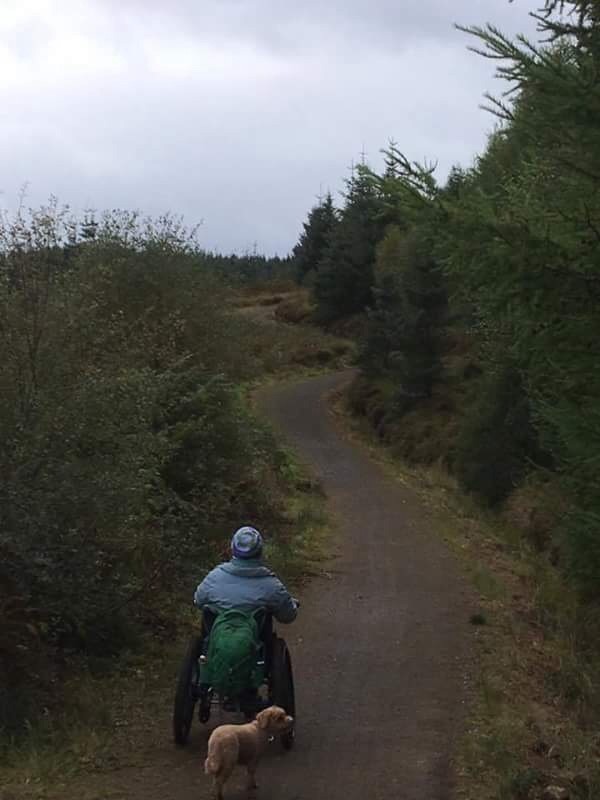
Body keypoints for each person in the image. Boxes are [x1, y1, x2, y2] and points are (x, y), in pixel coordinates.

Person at [193, 526, 299, 626]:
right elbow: (288, 616)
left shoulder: (214, 577)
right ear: (260, 551)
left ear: (233, 548)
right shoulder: (272, 585)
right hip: (256, 643)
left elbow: (198, 601)